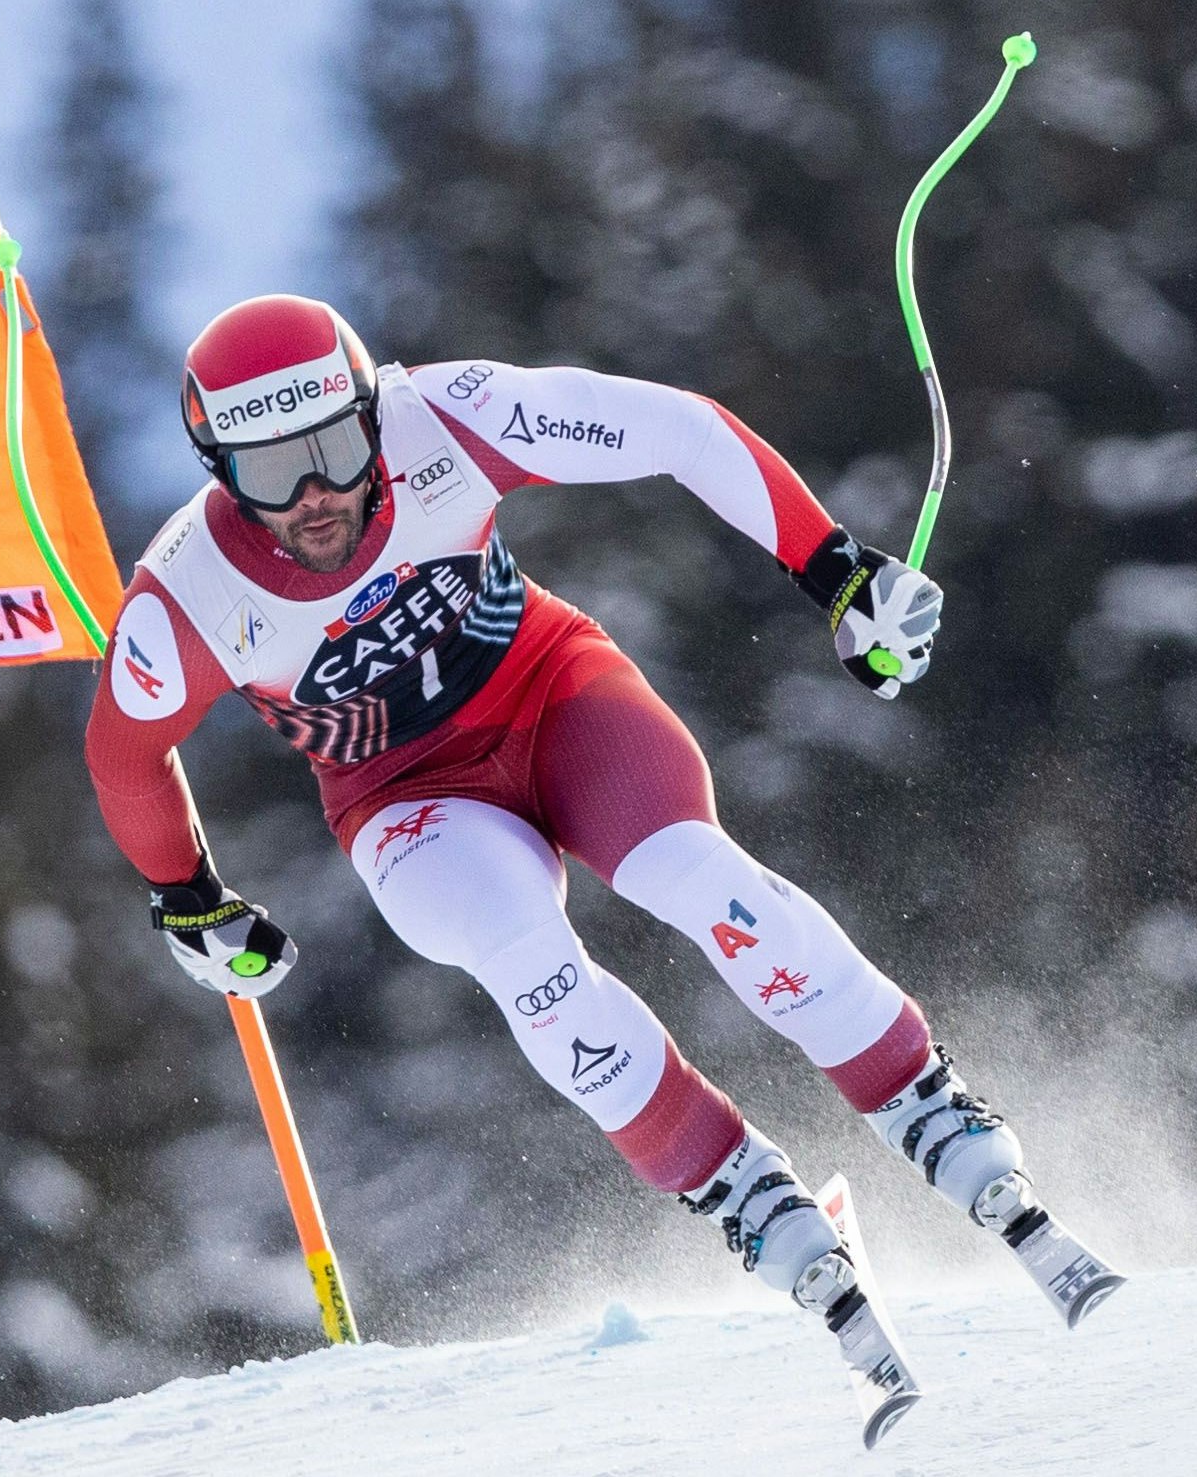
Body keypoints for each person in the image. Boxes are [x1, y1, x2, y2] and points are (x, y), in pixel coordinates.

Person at [83, 293, 1093, 1325]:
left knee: (693, 875)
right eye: (268, 473)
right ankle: (737, 1187)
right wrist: (189, 896)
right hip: (402, 797)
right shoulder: (188, 594)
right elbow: (123, 756)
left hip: (554, 696)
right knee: (525, 960)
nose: (312, 497)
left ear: (373, 415)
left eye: (336, 449)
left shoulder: (449, 417)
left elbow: (682, 431)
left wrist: (834, 573)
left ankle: (921, 1096)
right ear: (218, 470)